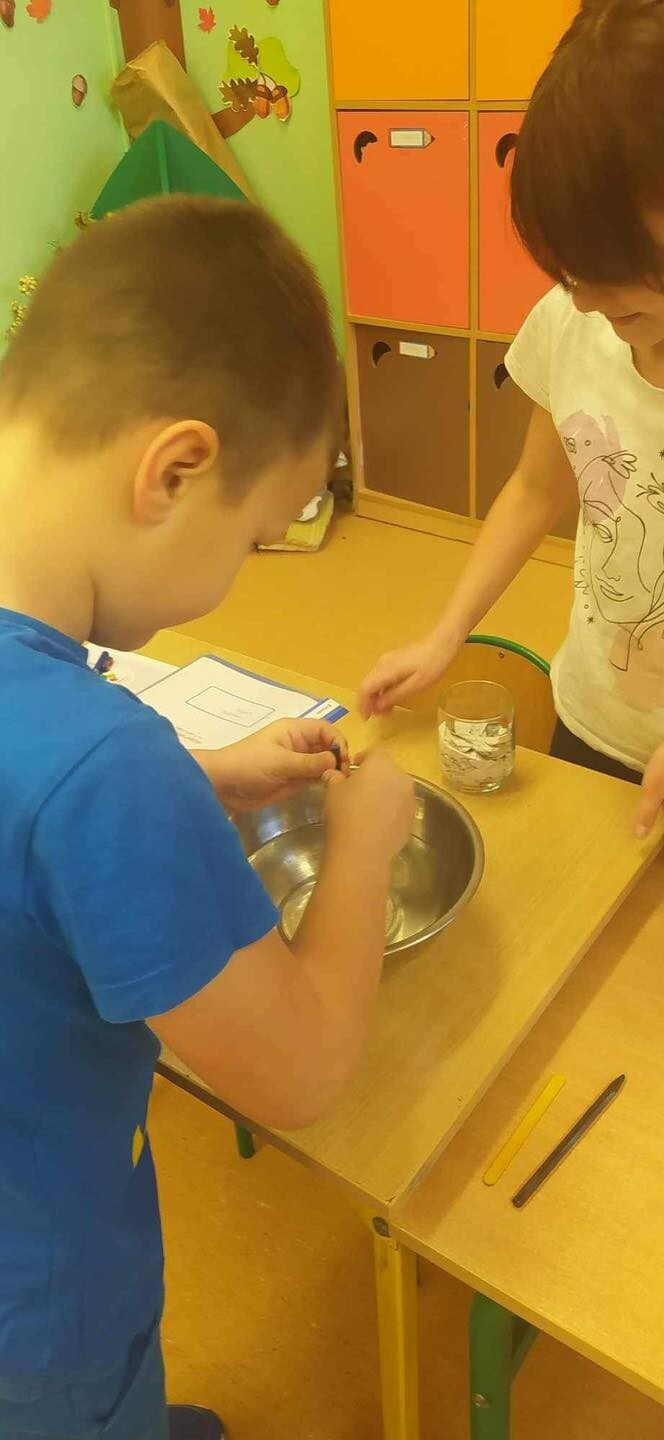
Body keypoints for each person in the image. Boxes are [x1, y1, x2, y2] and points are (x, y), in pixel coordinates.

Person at [0, 196, 414, 1440]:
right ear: (175, 471)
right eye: (252, 535)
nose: (239, 572)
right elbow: (300, 1070)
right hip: (41, 1305)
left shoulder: (87, 757)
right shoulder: (103, 769)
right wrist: (364, 843)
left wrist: (200, 774)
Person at [359, 0, 664, 838]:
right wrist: (446, 635)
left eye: (615, 268)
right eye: (569, 272)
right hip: (594, 718)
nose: (589, 301)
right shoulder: (575, 326)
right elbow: (534, 488)